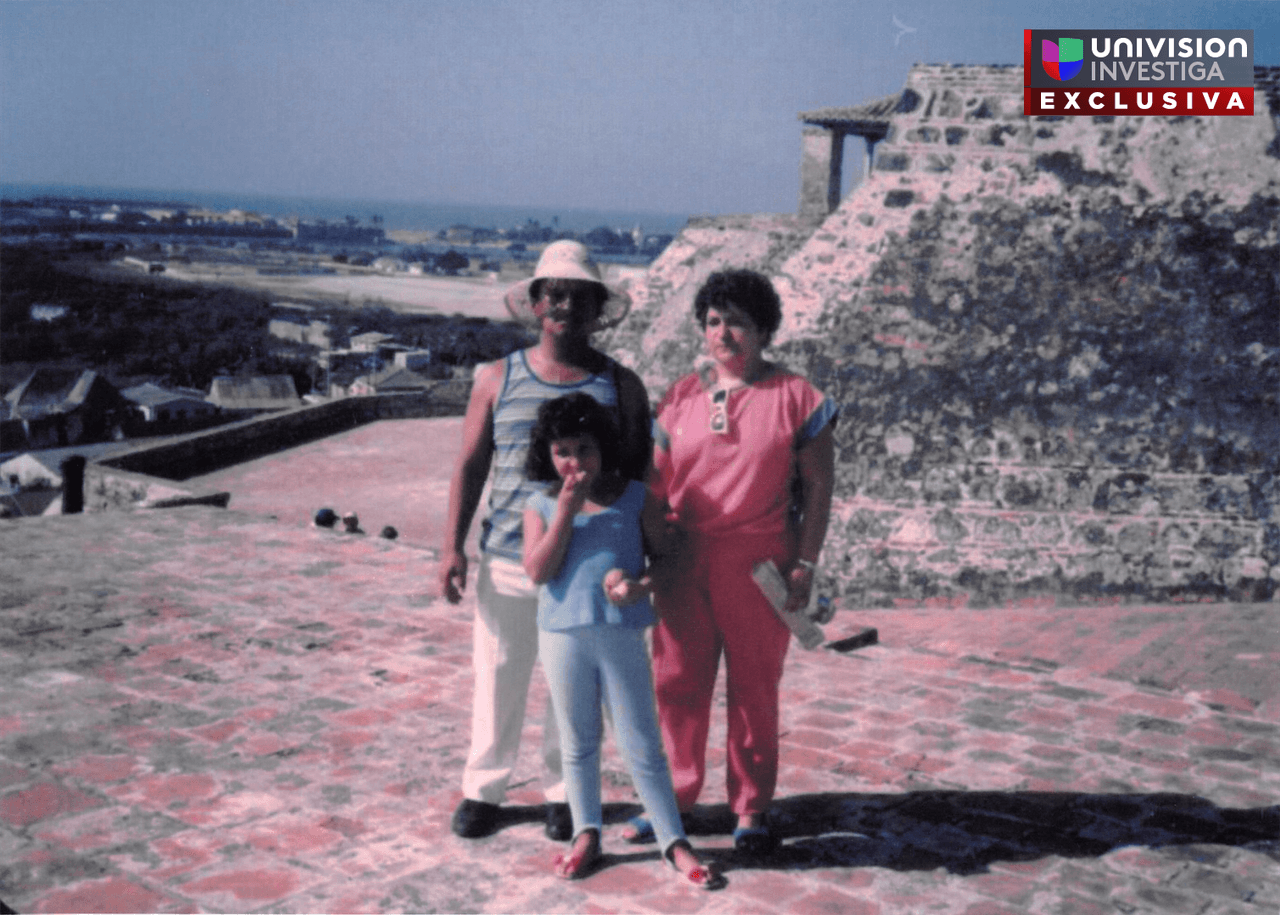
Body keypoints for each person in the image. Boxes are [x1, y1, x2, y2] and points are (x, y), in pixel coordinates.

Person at [438, 240, 652, 841]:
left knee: (574, 687)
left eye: (579, 297)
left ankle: (565, 791)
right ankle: (484, 788)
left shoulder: (621, 385)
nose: (565, 306)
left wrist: (637, 560)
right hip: (508, 555)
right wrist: (451, 546)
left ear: (596, 308)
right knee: (500, 675)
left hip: (587, 568)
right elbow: (471, 466)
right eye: (554, 294)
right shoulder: (496, 378)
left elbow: (637, 474)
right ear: (535, 304)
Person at [626, 269, 838, 855]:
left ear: (764, 329)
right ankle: (673, 798)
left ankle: (751, 807)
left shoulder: (799, 398)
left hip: (760, 561)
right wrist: (643, 551)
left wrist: (807, 563)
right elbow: (655, 482)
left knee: (754, 688)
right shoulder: (681, 395)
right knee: (677, 683)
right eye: (714, 321)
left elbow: (819, 487)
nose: (724, 333)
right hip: (682, 558)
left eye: (738, 321)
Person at [521, 393, 721, 888]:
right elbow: (538, 571)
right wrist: (565, 511)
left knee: (642, 743)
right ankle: (586, 832)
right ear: (547, 453)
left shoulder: (635, 498)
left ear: (603, 447)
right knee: (578, 740)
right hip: (563, 635)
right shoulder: (540, 503)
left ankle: (673, 840)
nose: (574, 462)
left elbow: (670, 558)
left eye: (584, 449)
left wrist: (641, 586)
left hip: (621, 633)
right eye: (562, 450)